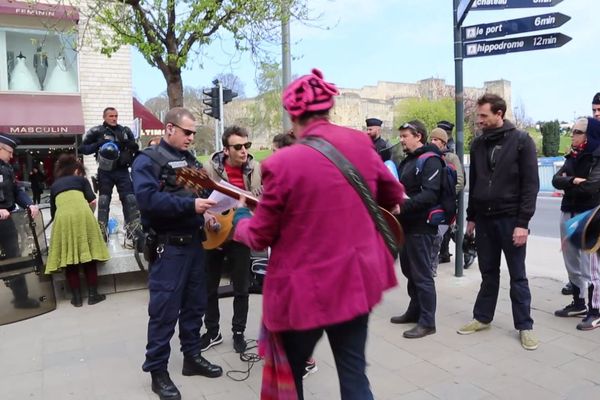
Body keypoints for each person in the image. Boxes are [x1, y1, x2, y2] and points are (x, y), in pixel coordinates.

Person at [233, 69, 405, 400]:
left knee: (291, 376)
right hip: (356, 282)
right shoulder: (360, 142)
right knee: (353, 373)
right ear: (329, 108)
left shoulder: (282, 163)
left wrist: (241, 215)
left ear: (293, 114)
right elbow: (393, 195)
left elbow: (259, 235)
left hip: (302, 292)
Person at [131, 107, 222, 400]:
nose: (191, 137)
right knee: (164, 311)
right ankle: (158, 372)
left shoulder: (189, 159)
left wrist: (208, 212)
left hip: (194, 244)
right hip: (168, 247)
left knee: (196, 305)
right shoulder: (148, 161)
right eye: (187, 132)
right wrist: (190, 208)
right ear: (169, 129)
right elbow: (147, 201)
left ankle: (192, 358)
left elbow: (199, 193)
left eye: (194, 132)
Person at [458, 93, 540, 351]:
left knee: (518, 276)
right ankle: (483, 318)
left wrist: (522, 223)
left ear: (499, 114)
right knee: (488, 273)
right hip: (484, 220)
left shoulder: (521, 141)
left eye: (484, 115)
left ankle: (525, 326)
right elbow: (476, 183)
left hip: (511, 219)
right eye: (478, 116)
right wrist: (471, 218)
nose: (479, 120)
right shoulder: (479, 144)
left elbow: (530, 186)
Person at [201, 126, 262, 354]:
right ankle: (213, 331)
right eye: (238, 147)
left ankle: (239, 332)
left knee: (241, 287)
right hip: (215, 231)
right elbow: (198, 197)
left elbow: (264, 199)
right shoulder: (209, 168)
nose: (244, 151)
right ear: (226, 150)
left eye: (247, 145)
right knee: (209, 286)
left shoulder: (257, 169)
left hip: (240, 233)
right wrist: (206, 215)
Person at [390, 120, 442, 338]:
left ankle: (428, 321)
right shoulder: (408, 161)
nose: (401, 140)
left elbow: (430, 194)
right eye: (401, 136)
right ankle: (415, 310)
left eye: (405, 136)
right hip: (406, 226)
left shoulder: (430, 160)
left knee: (422, 275)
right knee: (409, 272)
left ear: (418, 136)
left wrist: (402, 206)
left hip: (421, 226)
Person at [553, 117, 600, 330]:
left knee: (590, 266)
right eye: (572, 131)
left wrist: (568, 181)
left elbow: (591, 188)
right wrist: (572, 180)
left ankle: (596, 310)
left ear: (589, 135)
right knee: (571, 261)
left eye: (578, 132)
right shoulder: (573, 155)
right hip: (568, 210)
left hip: (590, 214)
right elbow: (555, 179)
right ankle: (579, 303)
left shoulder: (597, 156)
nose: (573, 135)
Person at [45, 155, 109, 307]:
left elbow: (54, 212)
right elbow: (92, 200)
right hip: (83, 215)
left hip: (62, 218)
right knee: (89, 258)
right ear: (76, 170)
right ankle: (93, 295)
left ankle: (77, 298)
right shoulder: (81, 180)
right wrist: (88, 214)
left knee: (70, 262)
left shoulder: (54, 185)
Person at [79, 107, 140, 241]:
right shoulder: (97, 131)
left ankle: (133, 230)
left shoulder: (125, 131)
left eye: (116, 116)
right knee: (104, 201)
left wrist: (129, 145)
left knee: (130, 200)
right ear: (104, 117)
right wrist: (98, 144)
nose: (114, 118)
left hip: (122, 170)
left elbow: (135, 147)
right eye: (111, 116)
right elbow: (82, 148)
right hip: (105, 171)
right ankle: (102, 232)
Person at [0, 134, 40, 309]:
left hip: (7, 221)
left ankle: (21, 299)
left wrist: (30, 204)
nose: (11, 155)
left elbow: (16, 190)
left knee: (14, 258)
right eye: (9, 151)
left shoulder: (6, 168)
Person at [427, 128, 465, 276]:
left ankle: (432, 269)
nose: (433, 142)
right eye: (432, 139)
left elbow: (460, 181)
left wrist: (447, 194)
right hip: (431, 205)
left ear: (443, 142)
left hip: (444, 205)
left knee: (438, 237)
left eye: (436, 140)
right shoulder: (428, 156)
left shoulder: (451, 158)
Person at [436, 120, 456, 263]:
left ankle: (445, 252)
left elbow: (459, 178)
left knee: (449, 226)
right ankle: (443, 252)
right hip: (441, 194)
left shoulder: (452, 152)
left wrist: (452, 192)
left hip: (449, 194)